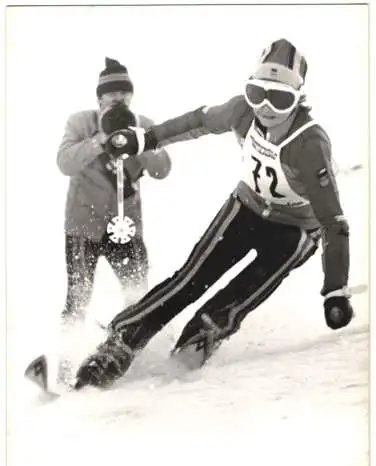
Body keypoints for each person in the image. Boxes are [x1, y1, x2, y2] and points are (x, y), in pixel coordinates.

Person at [73, 39, 354, 389]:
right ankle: (120, 342)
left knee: (245, 290)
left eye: (280, 98)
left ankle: (202, 335)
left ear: (297, 98)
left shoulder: (309, 144)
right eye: (257, 92)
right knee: (191, 278)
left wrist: (335, 290)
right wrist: (144, 140)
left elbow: (333, 222)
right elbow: (197, 122)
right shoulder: (242, 112)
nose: (266, 107)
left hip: (295, 231)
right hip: (246, 209)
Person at [57, 57, 172, 327]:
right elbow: (65, 163)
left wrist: (140, 140)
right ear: (100, 98)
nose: (118, 98)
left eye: (124, 92)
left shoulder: (144, 124)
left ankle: (129, 345)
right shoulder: (80, 122)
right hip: (83, 225)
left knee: (137, 295)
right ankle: (66, 352)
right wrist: (100, 139)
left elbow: (162, 170)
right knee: (78, 298)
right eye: (111, 92)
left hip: (125, 224)